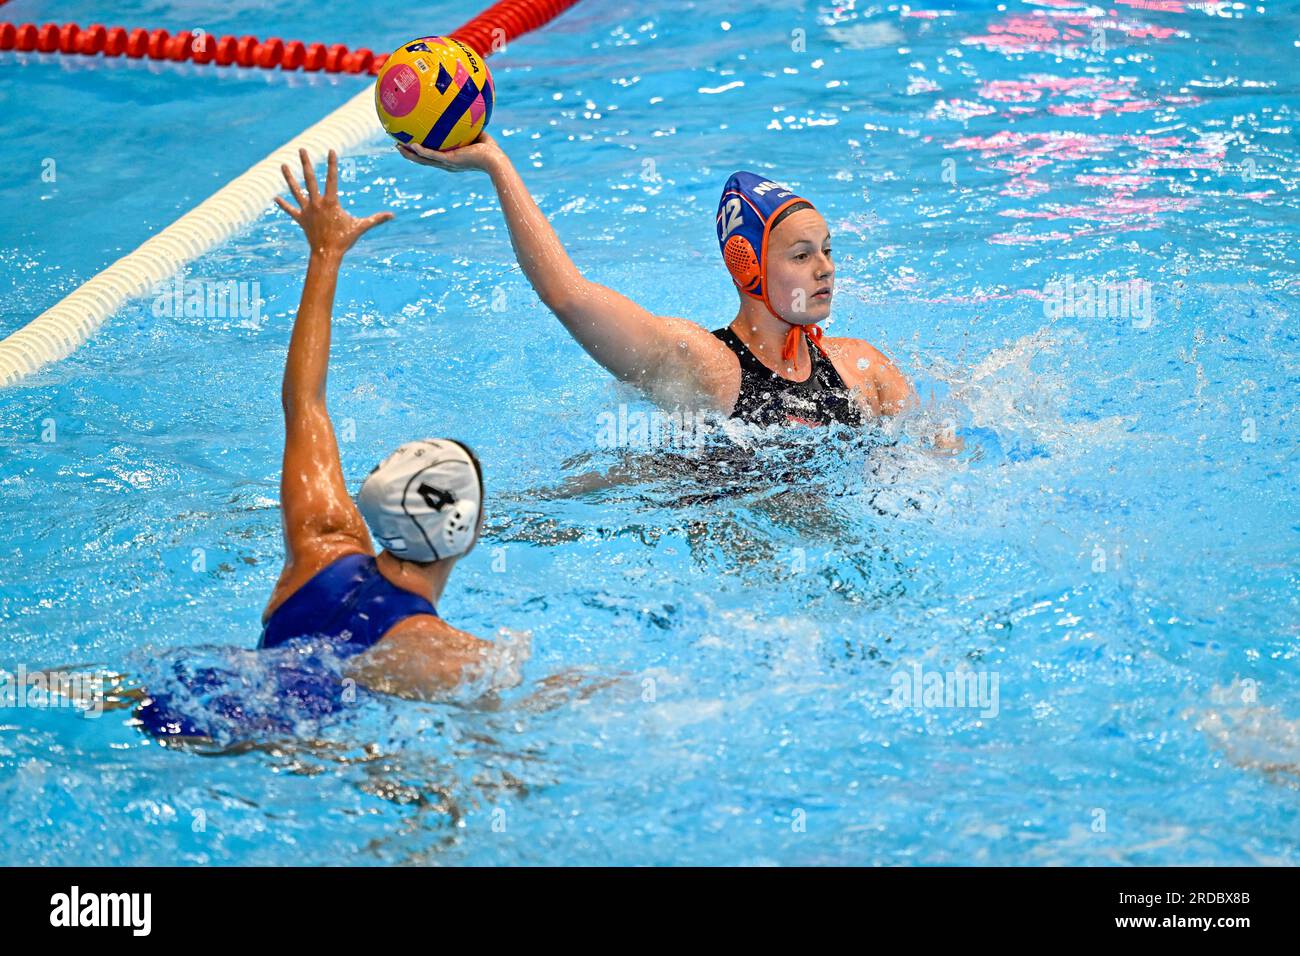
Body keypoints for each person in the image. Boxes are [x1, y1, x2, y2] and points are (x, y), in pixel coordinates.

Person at [135, 150, 492, 742]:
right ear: (470, 533)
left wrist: (325, 254)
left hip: (191, 689)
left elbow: (305, 403)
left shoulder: (322, 543)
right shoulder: (440, 652)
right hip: (268, 750)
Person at [396, 133, 938, 434]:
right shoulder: (706, 365)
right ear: (748, 265)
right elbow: (566, 294)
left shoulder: (863, 367)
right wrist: (496, 165)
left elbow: (937, 455)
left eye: (827, 250)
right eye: (801, 254)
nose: (825, 268)